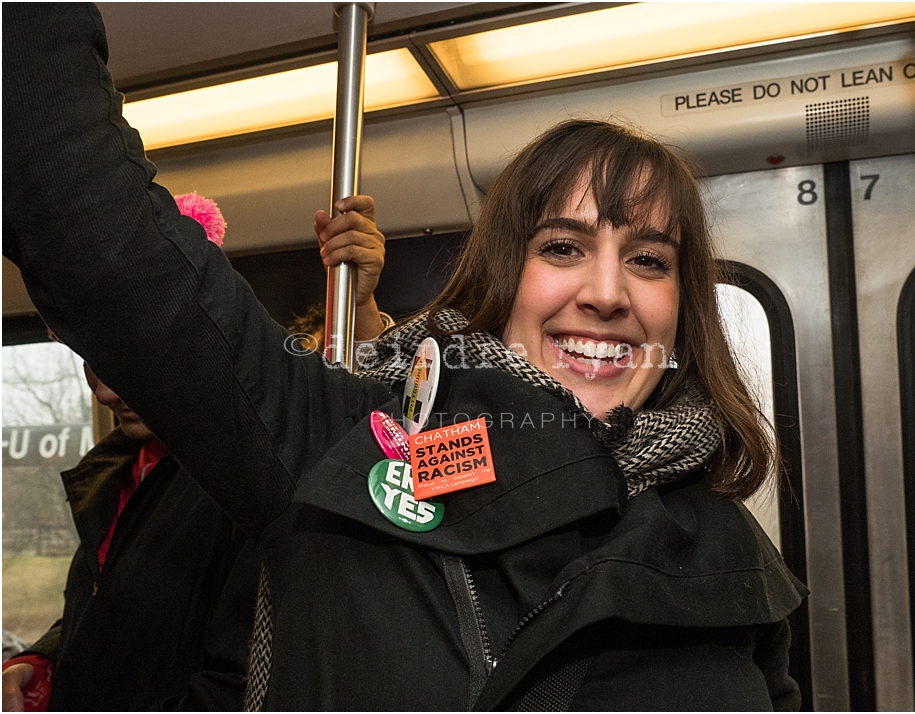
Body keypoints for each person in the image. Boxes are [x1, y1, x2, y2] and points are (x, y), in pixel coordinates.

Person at [4, 5, 806, 711]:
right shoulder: (342, 453)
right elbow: (97, 237)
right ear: (502, 278)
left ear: (683, 306)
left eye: (649, 260)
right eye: (563, 246)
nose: (606, 291)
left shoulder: (729, 547)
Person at [0, 199, 385, 711]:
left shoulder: (241, 470)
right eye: (92, 366)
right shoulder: (112, 471)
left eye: (125, 364)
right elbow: (106, 605)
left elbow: (239, 676)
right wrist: (46, 659)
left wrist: (358, 313)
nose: (107, 394)